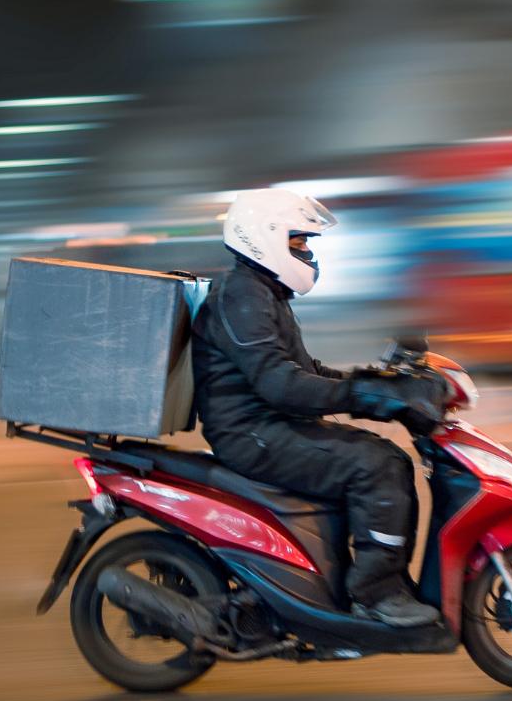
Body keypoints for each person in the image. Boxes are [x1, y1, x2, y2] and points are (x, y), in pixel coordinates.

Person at [190, 187, 450, 627]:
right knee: (378, 464)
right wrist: (366, 396)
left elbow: (305, 372)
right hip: (252, 433)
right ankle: (375, 593)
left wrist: (378, 386)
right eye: (299, 241)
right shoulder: (243, 296)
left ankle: (357, 580)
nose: (307, 252)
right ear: (265, 236)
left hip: (266, 425)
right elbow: (282, 386)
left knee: (381, 458)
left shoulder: (261, 292)